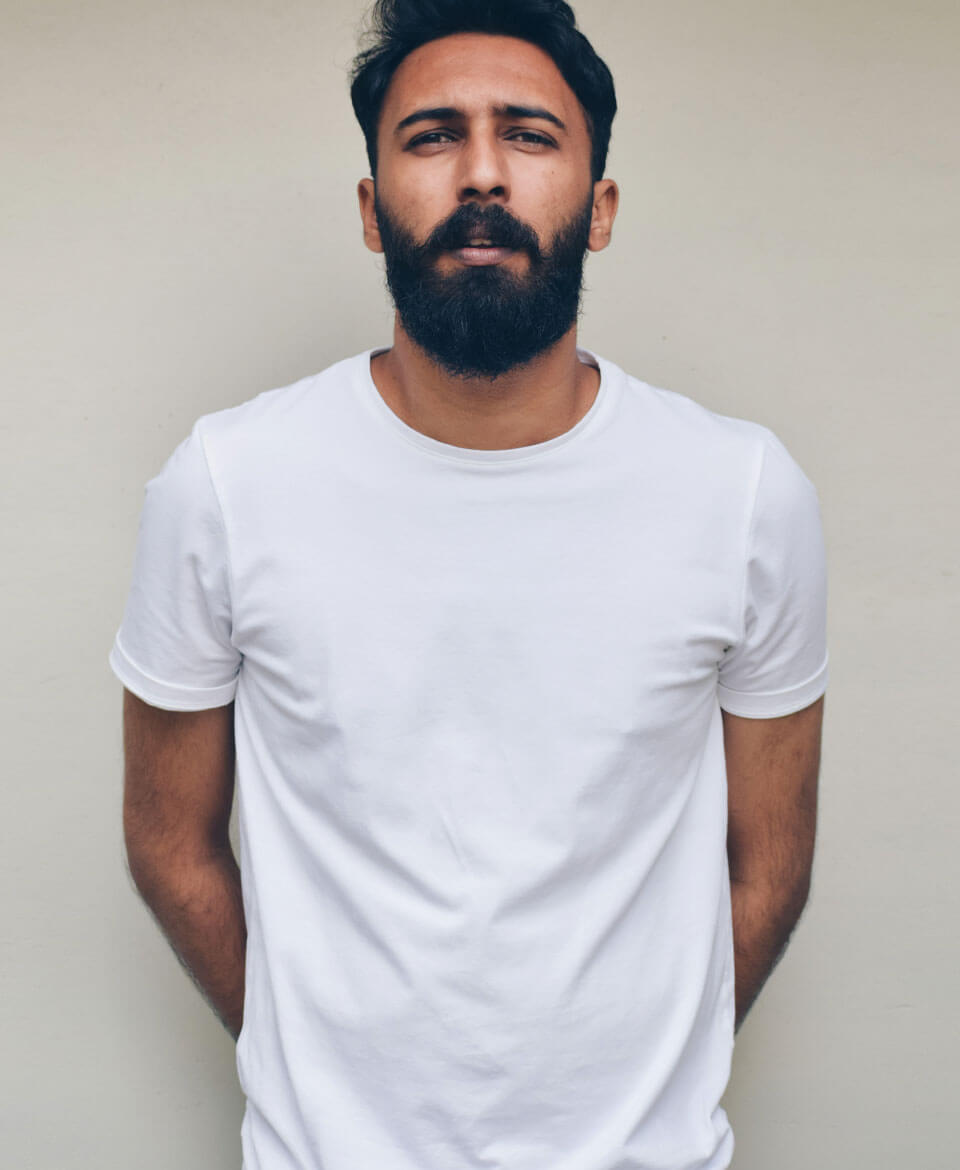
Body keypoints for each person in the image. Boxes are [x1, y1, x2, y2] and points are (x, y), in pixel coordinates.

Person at [109, 1, 828, 1168]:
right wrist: (311, 1067)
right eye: (434, 135)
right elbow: (168, 842)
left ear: (601, 208)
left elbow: (770, 864)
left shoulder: (744, 493)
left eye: (529, 136)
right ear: (370, 208)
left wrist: (645, 1077)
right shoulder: (227, 483)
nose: (482, 172)